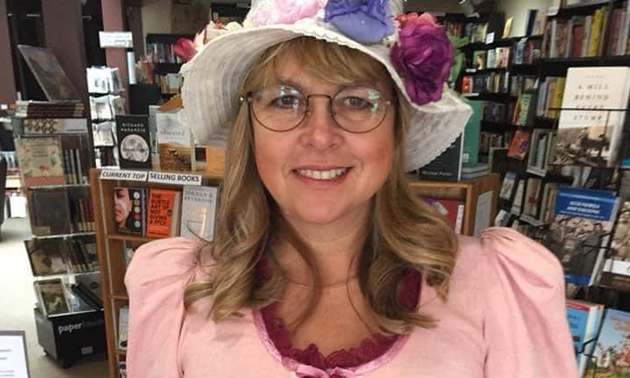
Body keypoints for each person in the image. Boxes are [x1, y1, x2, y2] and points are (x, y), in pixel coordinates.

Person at [125, 1, 577, 377]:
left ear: (397, 131)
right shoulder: (182, 295)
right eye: (285, 99)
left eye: (357, 101)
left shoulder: (495, 290)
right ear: (250, 132)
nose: (320, 136)